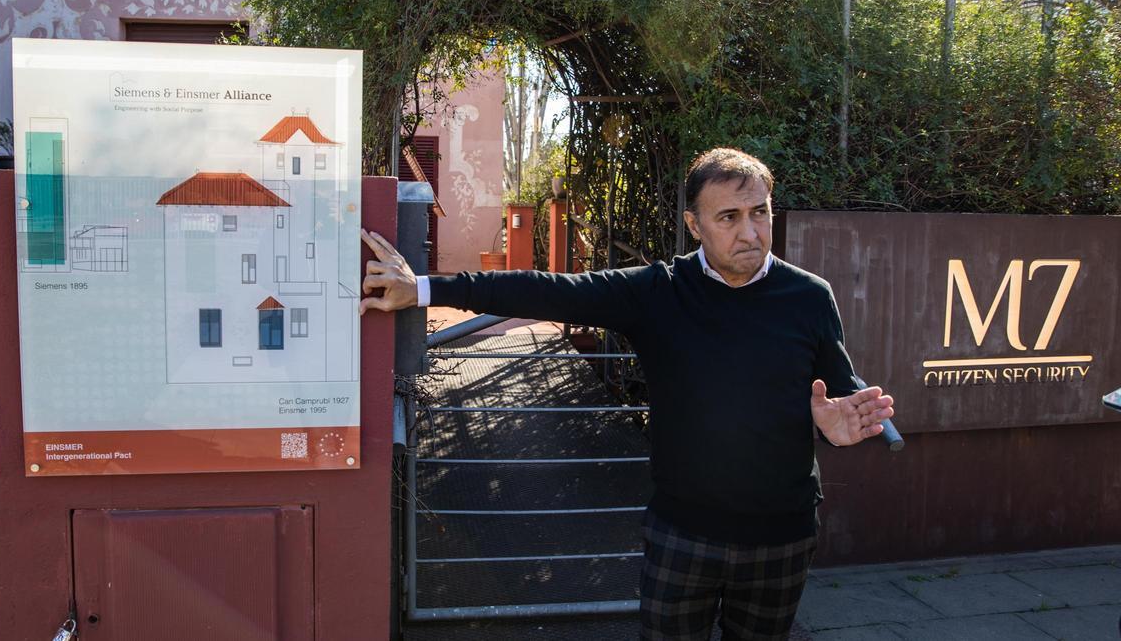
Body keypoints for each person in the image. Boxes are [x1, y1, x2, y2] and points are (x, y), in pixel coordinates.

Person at [360, 147, 895, 641]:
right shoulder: (658, 292)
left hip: (783, 535)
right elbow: (546, 289)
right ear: (695, 224)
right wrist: (425, 288)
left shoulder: (809, 296)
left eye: (759, 212)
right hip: (684, 533)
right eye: (729, 217)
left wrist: (838, 420)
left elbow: (838, 387)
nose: (750, 232)